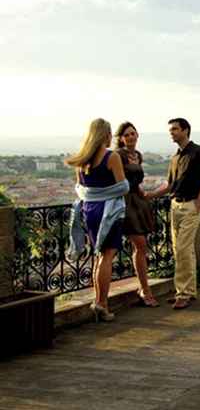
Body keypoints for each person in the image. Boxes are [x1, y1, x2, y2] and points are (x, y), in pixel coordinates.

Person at [66, 118, 129, 322]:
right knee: (107, 256)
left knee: (99, 256)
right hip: (108, 211)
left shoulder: (81, 159)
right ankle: (102, 304)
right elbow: (123, 187)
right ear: (107, 135)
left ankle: (99, 301)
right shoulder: (111, 157)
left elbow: (80, 189)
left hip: (88, 209)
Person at [146, 118, 200, 310]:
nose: (171, 133)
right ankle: (187, 291)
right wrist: (150, 195)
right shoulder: (175, 157)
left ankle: (183, 294)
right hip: (175, 205)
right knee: (182, 250)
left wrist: (199, 203)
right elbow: (169, 185)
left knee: (183, 249)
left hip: (191, 205)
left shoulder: (199, 152)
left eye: (174, 129)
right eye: (170, 130)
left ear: (186, 130)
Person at [114, 121, 159, 307]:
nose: (131, 137)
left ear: (137, 135)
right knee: (140, 245)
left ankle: (143, 287)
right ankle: (145, 289)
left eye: (133, 133)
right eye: (126, 135)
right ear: (121, 138)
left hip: (137, 202)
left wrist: (145, 194)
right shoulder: (118, 155)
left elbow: (136, 181)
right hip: (125, 202)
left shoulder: (137, 155)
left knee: (141, 246)